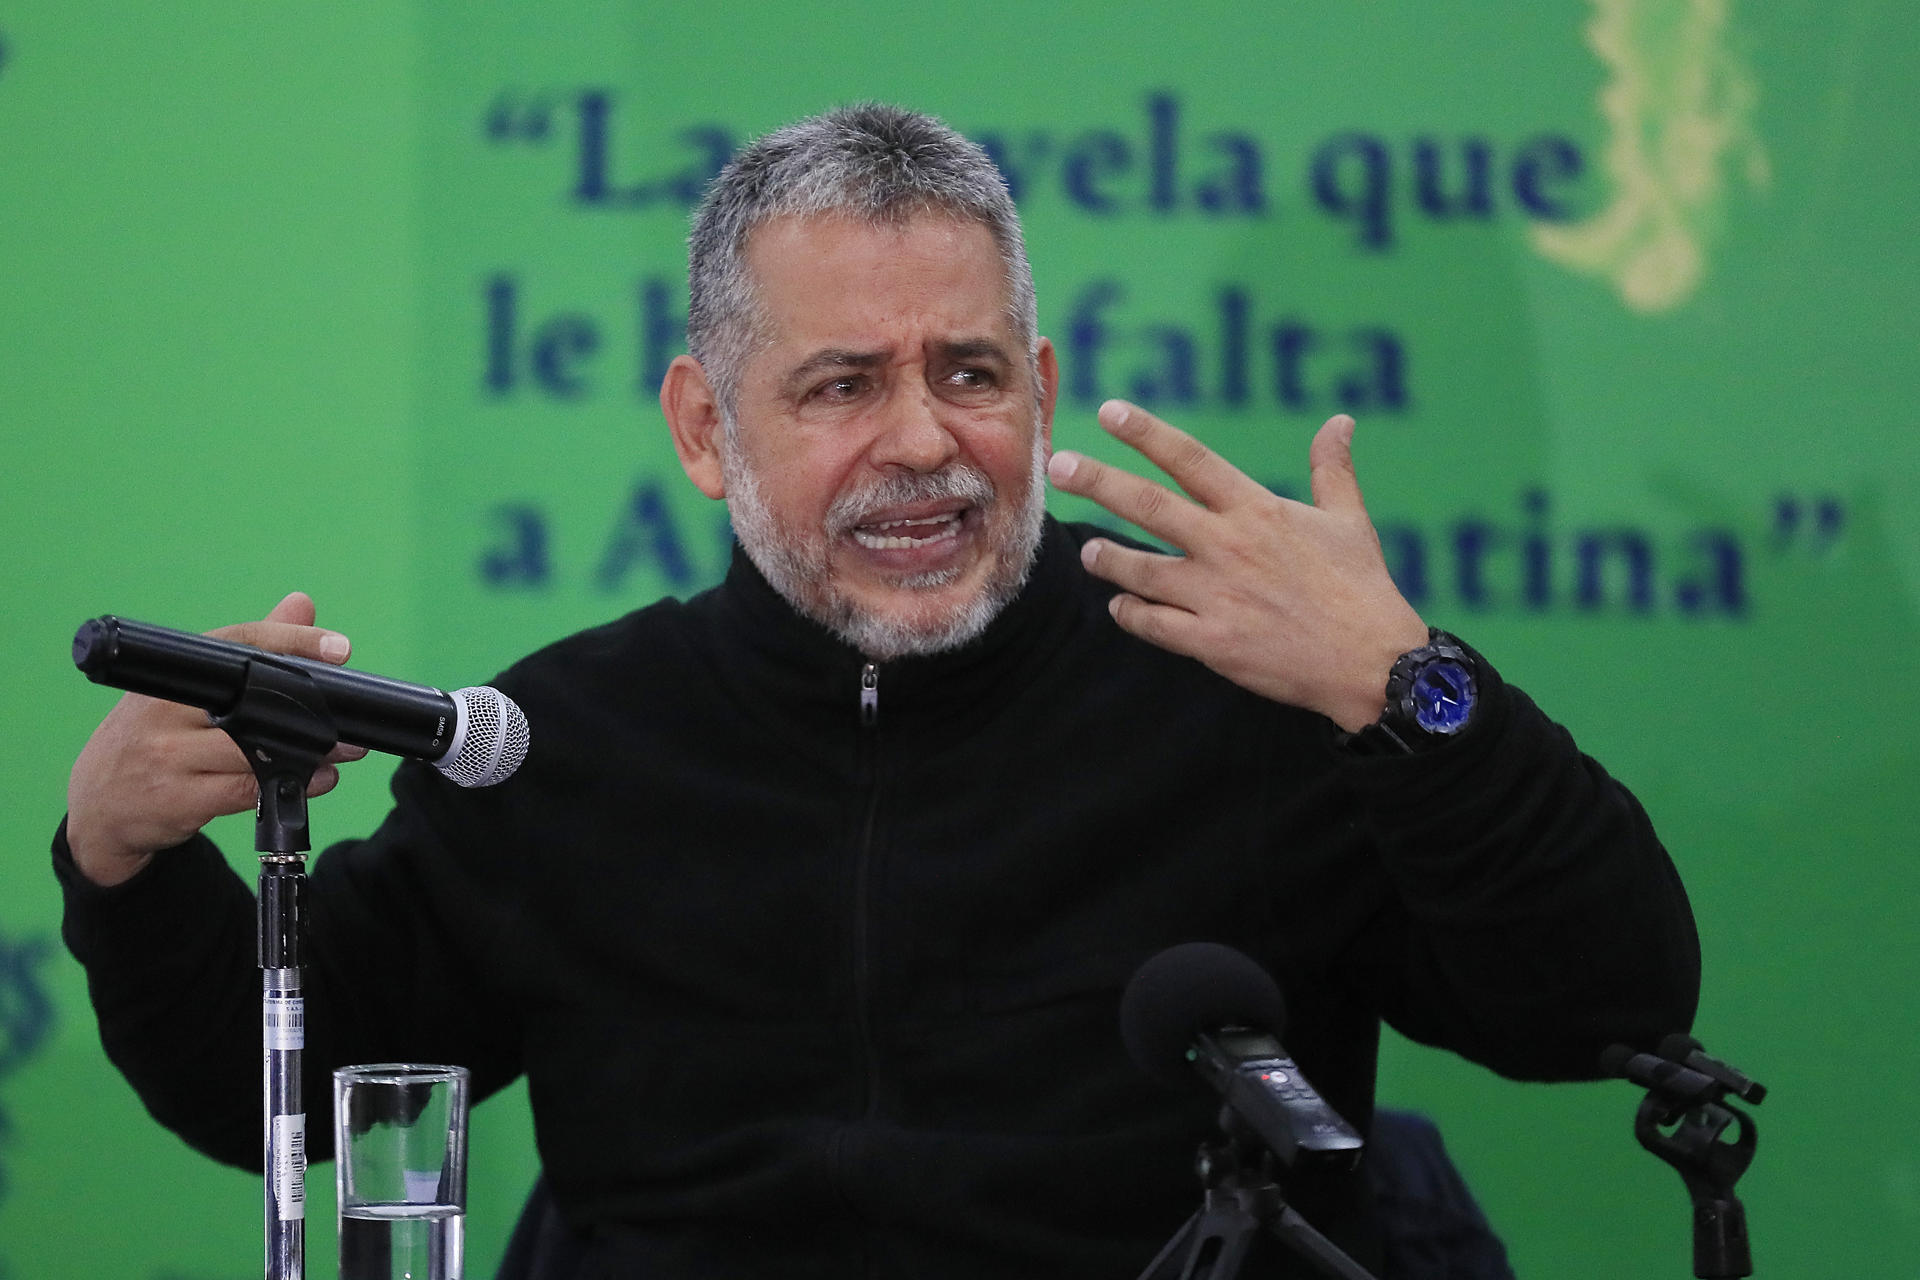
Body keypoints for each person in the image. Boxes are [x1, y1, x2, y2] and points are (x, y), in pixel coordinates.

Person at [57, 104, 1698, 1278]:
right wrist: (119, 855)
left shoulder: (1241, 690)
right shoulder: (572, 745)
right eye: (841, 386)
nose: (922, 441)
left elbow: (1603, 1008)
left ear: (1038, 389)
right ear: (705, 430)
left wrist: (1411, 689)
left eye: (969, 373)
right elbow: (272, 1104)